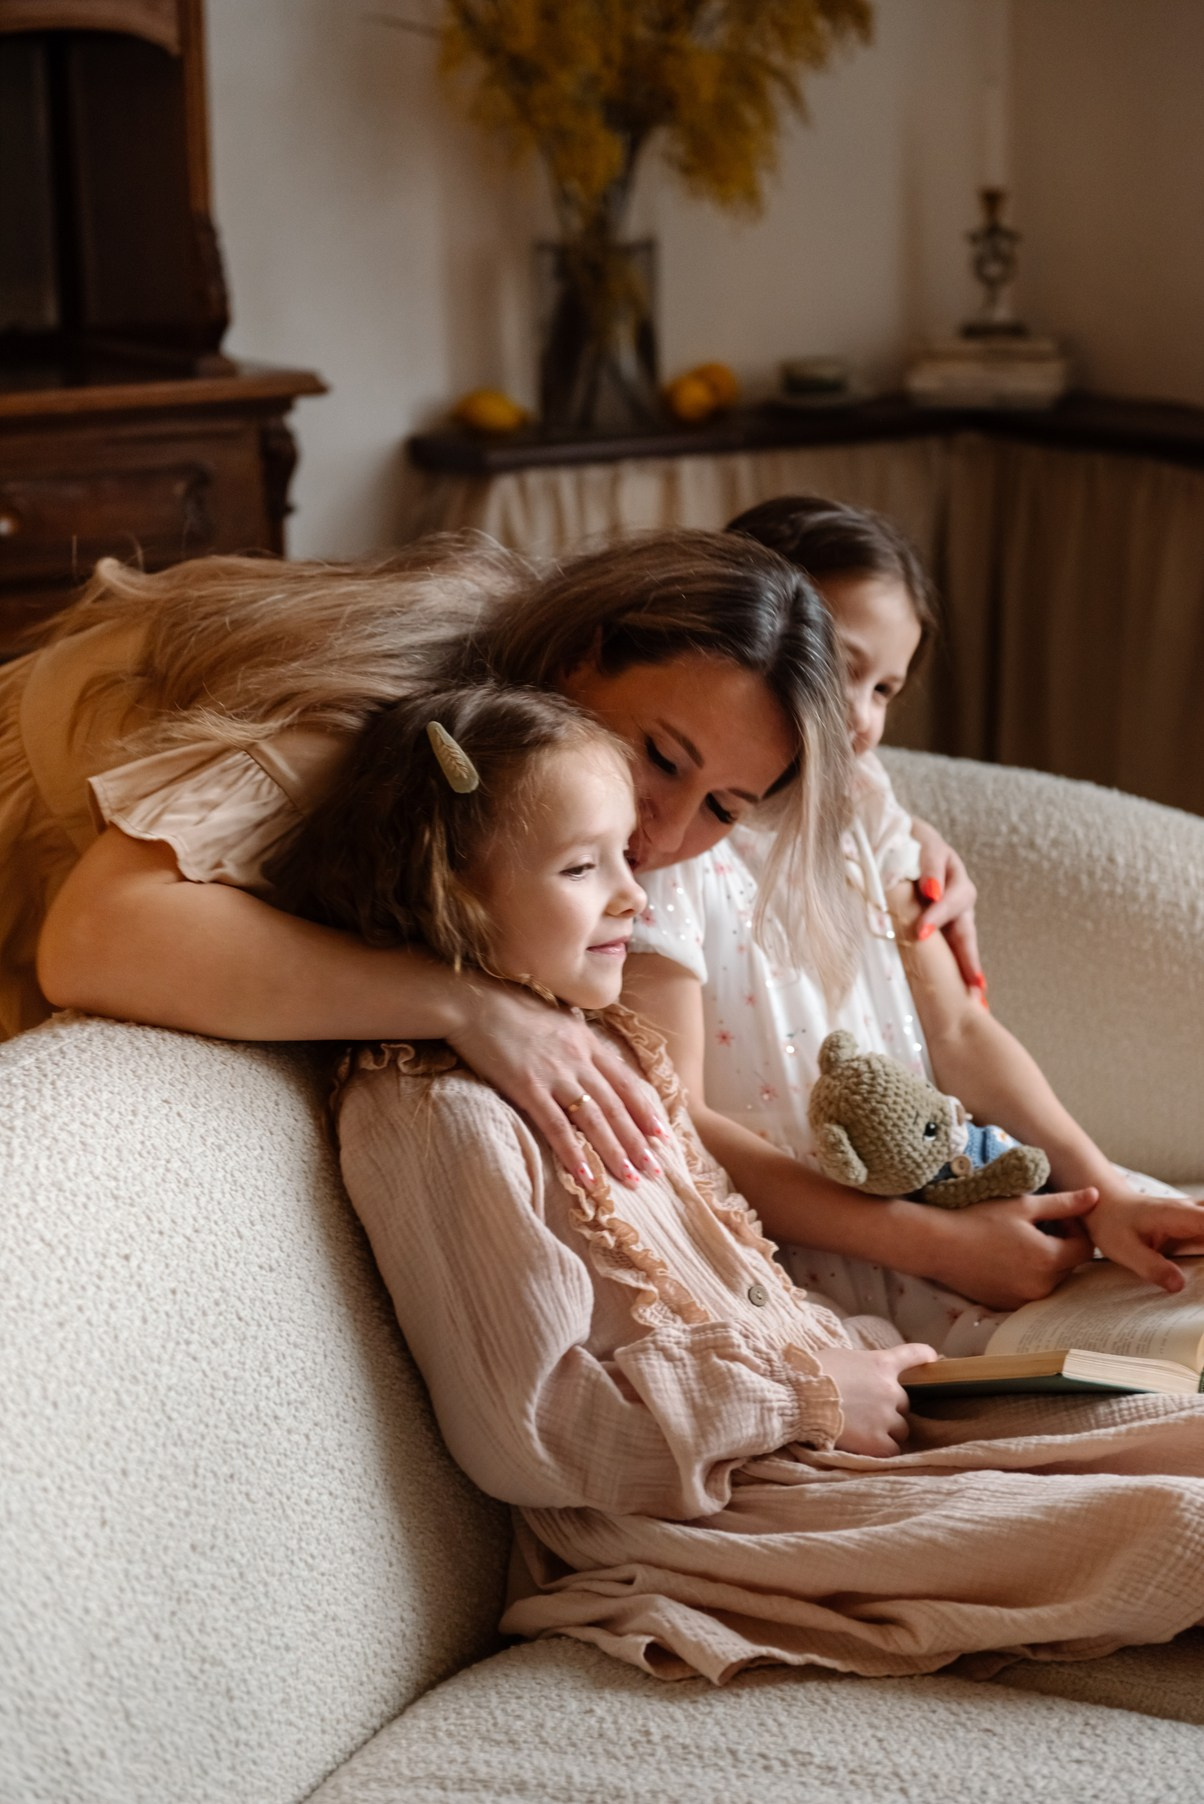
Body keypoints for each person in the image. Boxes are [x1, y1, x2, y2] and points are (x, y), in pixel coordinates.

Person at [285, 674, 1204, 1688]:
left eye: (624, 859)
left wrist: (853, 1359)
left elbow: (728, 1275)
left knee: (1177, 1435)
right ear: (449, 891)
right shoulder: (438, 1118)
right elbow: (532, 1428)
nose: (635, 894)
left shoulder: (601, 1044)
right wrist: (809, 1392)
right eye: (584, 867)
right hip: (703, 1506)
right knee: (1176, 1528)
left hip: (813, 1425)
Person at [625, 496, 1204, 1333]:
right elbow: (681, 1119)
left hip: (955, 1201)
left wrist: (1098, 1187)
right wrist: (938, 1247)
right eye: (840, 666)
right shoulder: (675, 845)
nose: (860, 718)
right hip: (817, 1256)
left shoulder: (865, 807)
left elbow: (959, 1032)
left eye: (886, 686)